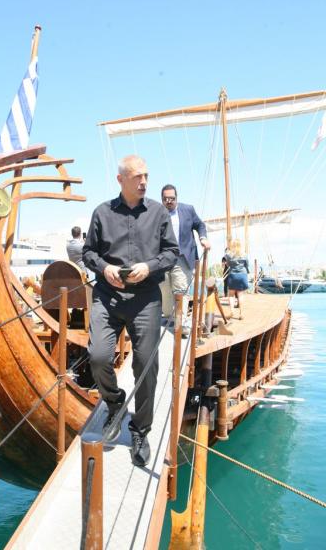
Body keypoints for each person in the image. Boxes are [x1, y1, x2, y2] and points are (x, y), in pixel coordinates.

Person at [83, 155, 178, 467]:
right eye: (137, 176)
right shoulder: (101, 212)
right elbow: (88, 253)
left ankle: (140, 430)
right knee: (98, 356)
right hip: (108, 296)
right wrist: (105, 267)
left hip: (145, 298)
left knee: (146, 365)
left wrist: (149, 266)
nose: (144, 182)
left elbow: (172, 253)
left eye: (146, 176)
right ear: (120, 179)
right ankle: (114, 404)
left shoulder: (158, 213)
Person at [160, 184, 211, 336]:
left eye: (172, 198)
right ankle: (171, 318)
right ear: (162, 199)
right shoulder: (157, 213)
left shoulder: (188, 210)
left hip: (182, 257)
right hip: (162, 259)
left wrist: (203, 238)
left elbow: (200, 224)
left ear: (177, 197)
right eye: (165, 199)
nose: (169, 201)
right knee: (165, 293)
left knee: (180, 290)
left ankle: (180, 325)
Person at [224, 239, 249, 320]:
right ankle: (241, 314)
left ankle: (231, 312)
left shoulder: (228, 255)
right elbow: (247, 265)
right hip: (242, 275)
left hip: (233, 275)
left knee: (231, 295)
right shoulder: (244, 255)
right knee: (240, 295)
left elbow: (227, 264)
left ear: (232, 245)